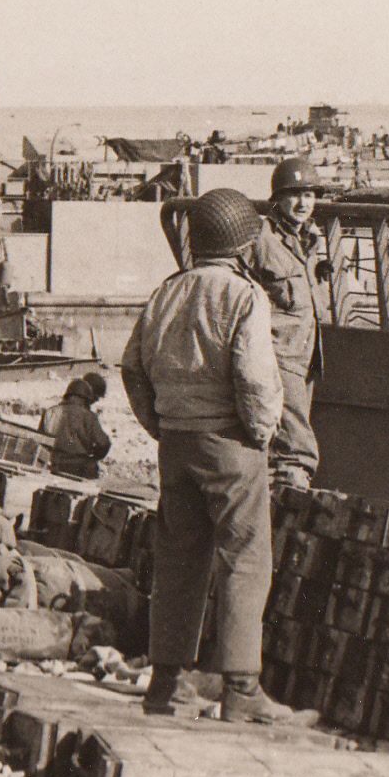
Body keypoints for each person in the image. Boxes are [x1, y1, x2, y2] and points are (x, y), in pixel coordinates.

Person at [119, 188, 310, 726]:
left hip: (175, 445)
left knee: (178, 562)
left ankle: (166, 686)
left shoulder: (165, 292)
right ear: (245, 245)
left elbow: (132, 368)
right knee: (246, 560)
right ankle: (241, 689)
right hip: (230, 444)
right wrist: (260, 434)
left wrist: (161, 426)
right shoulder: (244, 296)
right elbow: (256, 379)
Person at [245, 156, 329, 492]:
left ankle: (274, 486)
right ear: (277, 199)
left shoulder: (310, 238)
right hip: (277, 351)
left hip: (306, 353)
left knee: (284, 425)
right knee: (295, 437)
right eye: (294, 194)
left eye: (309, 194)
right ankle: (294, 485)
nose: (303, 202)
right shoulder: (262, 237)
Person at [44, 372, 112, 479]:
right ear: (86, 397)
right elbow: (104, 443)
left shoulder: (51, 412)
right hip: (81, 468)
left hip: (55, 466)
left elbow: (41, 441)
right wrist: (94, 457)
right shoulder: (89, 417)